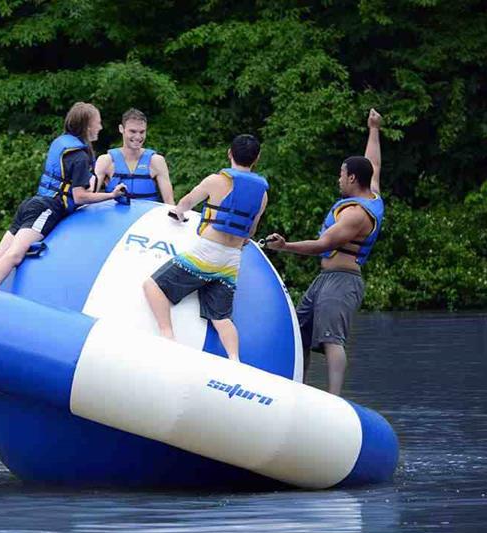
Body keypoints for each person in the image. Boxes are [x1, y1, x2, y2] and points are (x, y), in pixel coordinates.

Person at [264, 108, 384, 396]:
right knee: (299, 332)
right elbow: (374, 163)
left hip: (343, 282)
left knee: (332, 339)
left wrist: (285, 246)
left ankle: (333, 399)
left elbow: (322, 245)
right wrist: (374, 129)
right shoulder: (373, 191)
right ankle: (299, 390)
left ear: (353, 179)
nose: (338, 179)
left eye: (342, 175)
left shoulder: (356, 214)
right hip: (325, 281)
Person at [0, 102, 127, 289]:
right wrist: (112, 195)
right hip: (47, 208)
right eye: (98, 122)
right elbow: (81, 197)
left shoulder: (64, 143)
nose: (100, 127)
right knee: (15, 254)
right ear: (87, 125)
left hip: (33, 203)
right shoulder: (79, 156)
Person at [143, 134, 268, 361]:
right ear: (256, 158)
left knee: (152, 286)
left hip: (207, 253)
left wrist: (178, 213)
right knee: (221, 317)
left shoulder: (216, 181)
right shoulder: (262, 194)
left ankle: (167, 335)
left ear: (229, 153)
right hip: (232, 259)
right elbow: (250, 232)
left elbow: (186, 202)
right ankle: (234, 359)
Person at [93, 108, 175, 205]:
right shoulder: (106, 161)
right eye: (132, 131)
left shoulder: (156, 161)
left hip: (145, 218)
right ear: (121, 129)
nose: (138, 137)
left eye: (142, 132)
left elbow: (169, 202)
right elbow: (89, 197)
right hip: (113, 218)